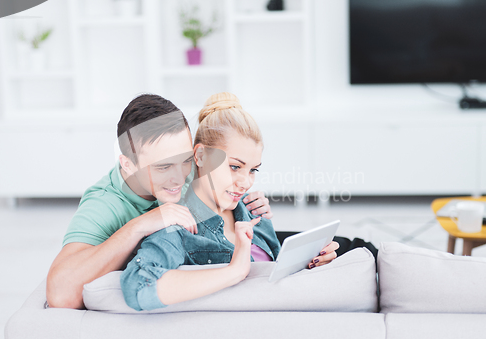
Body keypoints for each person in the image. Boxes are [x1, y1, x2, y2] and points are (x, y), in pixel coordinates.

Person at [46, 94, 274, 309]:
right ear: (128, 164)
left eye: (186, 160)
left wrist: (246, 199)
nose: (180, 177)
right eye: (163, 167)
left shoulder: (189, 165)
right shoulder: (104, 204)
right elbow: (60, 294)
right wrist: (139, 226)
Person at [120, 93, 340, 311]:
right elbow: (137, 286)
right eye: (235, 167)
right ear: (201, 156)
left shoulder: (254, 211)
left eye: (253, 170)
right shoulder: (179, 228)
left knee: (353, 246)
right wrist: (234, 271)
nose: (245, 183)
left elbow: (277, 278)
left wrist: (310, 265)